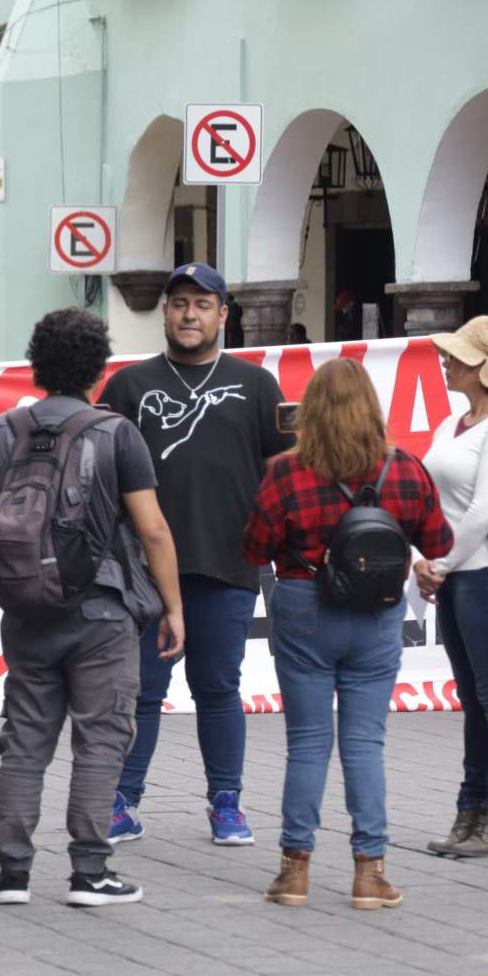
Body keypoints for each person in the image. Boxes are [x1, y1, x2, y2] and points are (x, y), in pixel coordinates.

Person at [0, 309, 183, 908]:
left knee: (24, 742)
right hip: (102, 609)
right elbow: (152, 530)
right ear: (98, 368)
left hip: (26, 611)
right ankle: (90, 872)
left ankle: (12, 874)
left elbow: (16, 517)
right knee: (100, 739)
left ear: (36, 364)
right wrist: (172, 606)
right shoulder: (117, 433)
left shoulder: (5, 431)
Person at [98, 263, 296, 847]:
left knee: (218, 687)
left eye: (202, 305)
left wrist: (276, 547)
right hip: (142, 571)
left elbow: (281, 474)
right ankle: (122, 801)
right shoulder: (128, 387)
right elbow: (102, 478)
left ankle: (226, 803)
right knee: (141, 692)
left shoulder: (257, 386)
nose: (190, 314)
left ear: (222, 315)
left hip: (228, 565)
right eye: (180, 303)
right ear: (165, 311)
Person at [242, 359, 450, 910]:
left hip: (305, 606)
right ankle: (369, 873)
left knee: (308, 743)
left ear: (309, 411)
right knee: (365, 744)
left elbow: (255, 547)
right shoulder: (405, 469)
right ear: (372, 409)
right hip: (377, 615)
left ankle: (294, 873)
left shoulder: (288, 471)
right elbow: (438, 536)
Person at [417, 317, 488, 859]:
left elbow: (486, 509)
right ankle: (470, 808)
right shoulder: (453, 423)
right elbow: (432, 499)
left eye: (457, 356)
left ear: (485, 367)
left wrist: (438, 563)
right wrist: (426, 558)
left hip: (485, 574)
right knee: (473, 699)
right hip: (454, 571)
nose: (446, 361)